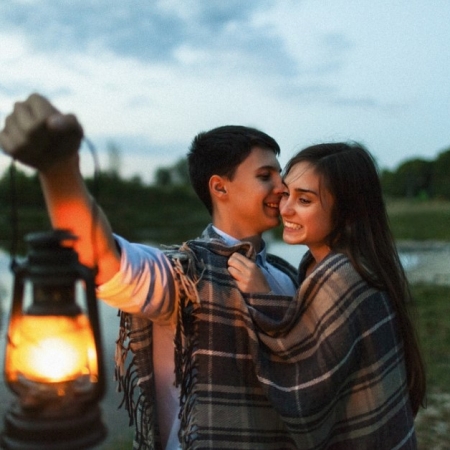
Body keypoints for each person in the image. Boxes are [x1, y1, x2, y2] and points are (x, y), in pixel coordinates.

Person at [0, 93, 299, 450]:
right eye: (266, 176)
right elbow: (101, 260)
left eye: (280, 175)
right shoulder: (184, 274)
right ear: (219, 187)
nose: (283, 188)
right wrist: (58, 169)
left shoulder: (286, 274)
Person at [228, 142, 427, 449]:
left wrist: (262, 297)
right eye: (286, 194)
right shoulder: (329, 266)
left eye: (304, 200)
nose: (285, 209)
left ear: (348, 212)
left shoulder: (345, 279)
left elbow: (305, 390)